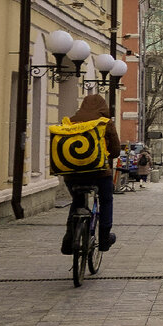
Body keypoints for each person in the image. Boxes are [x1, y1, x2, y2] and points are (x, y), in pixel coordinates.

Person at [61, 92, 120, 254]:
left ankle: (69, 237)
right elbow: (115, 150)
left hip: (72, 174)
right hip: (99, 174)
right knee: (106, 200)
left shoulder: (71, 122)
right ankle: (104, 239)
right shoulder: (105, 123)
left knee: (77, 201)